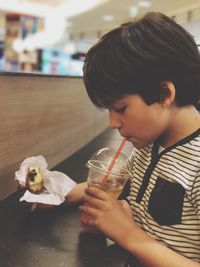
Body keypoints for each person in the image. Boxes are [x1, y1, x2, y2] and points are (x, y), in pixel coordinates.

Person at [66, 11, 200, 267]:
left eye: (120, 108)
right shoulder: (148, 146)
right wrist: (61, 193)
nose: (112, 123)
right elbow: (112, 184)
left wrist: (128, 234)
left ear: (164, 93)